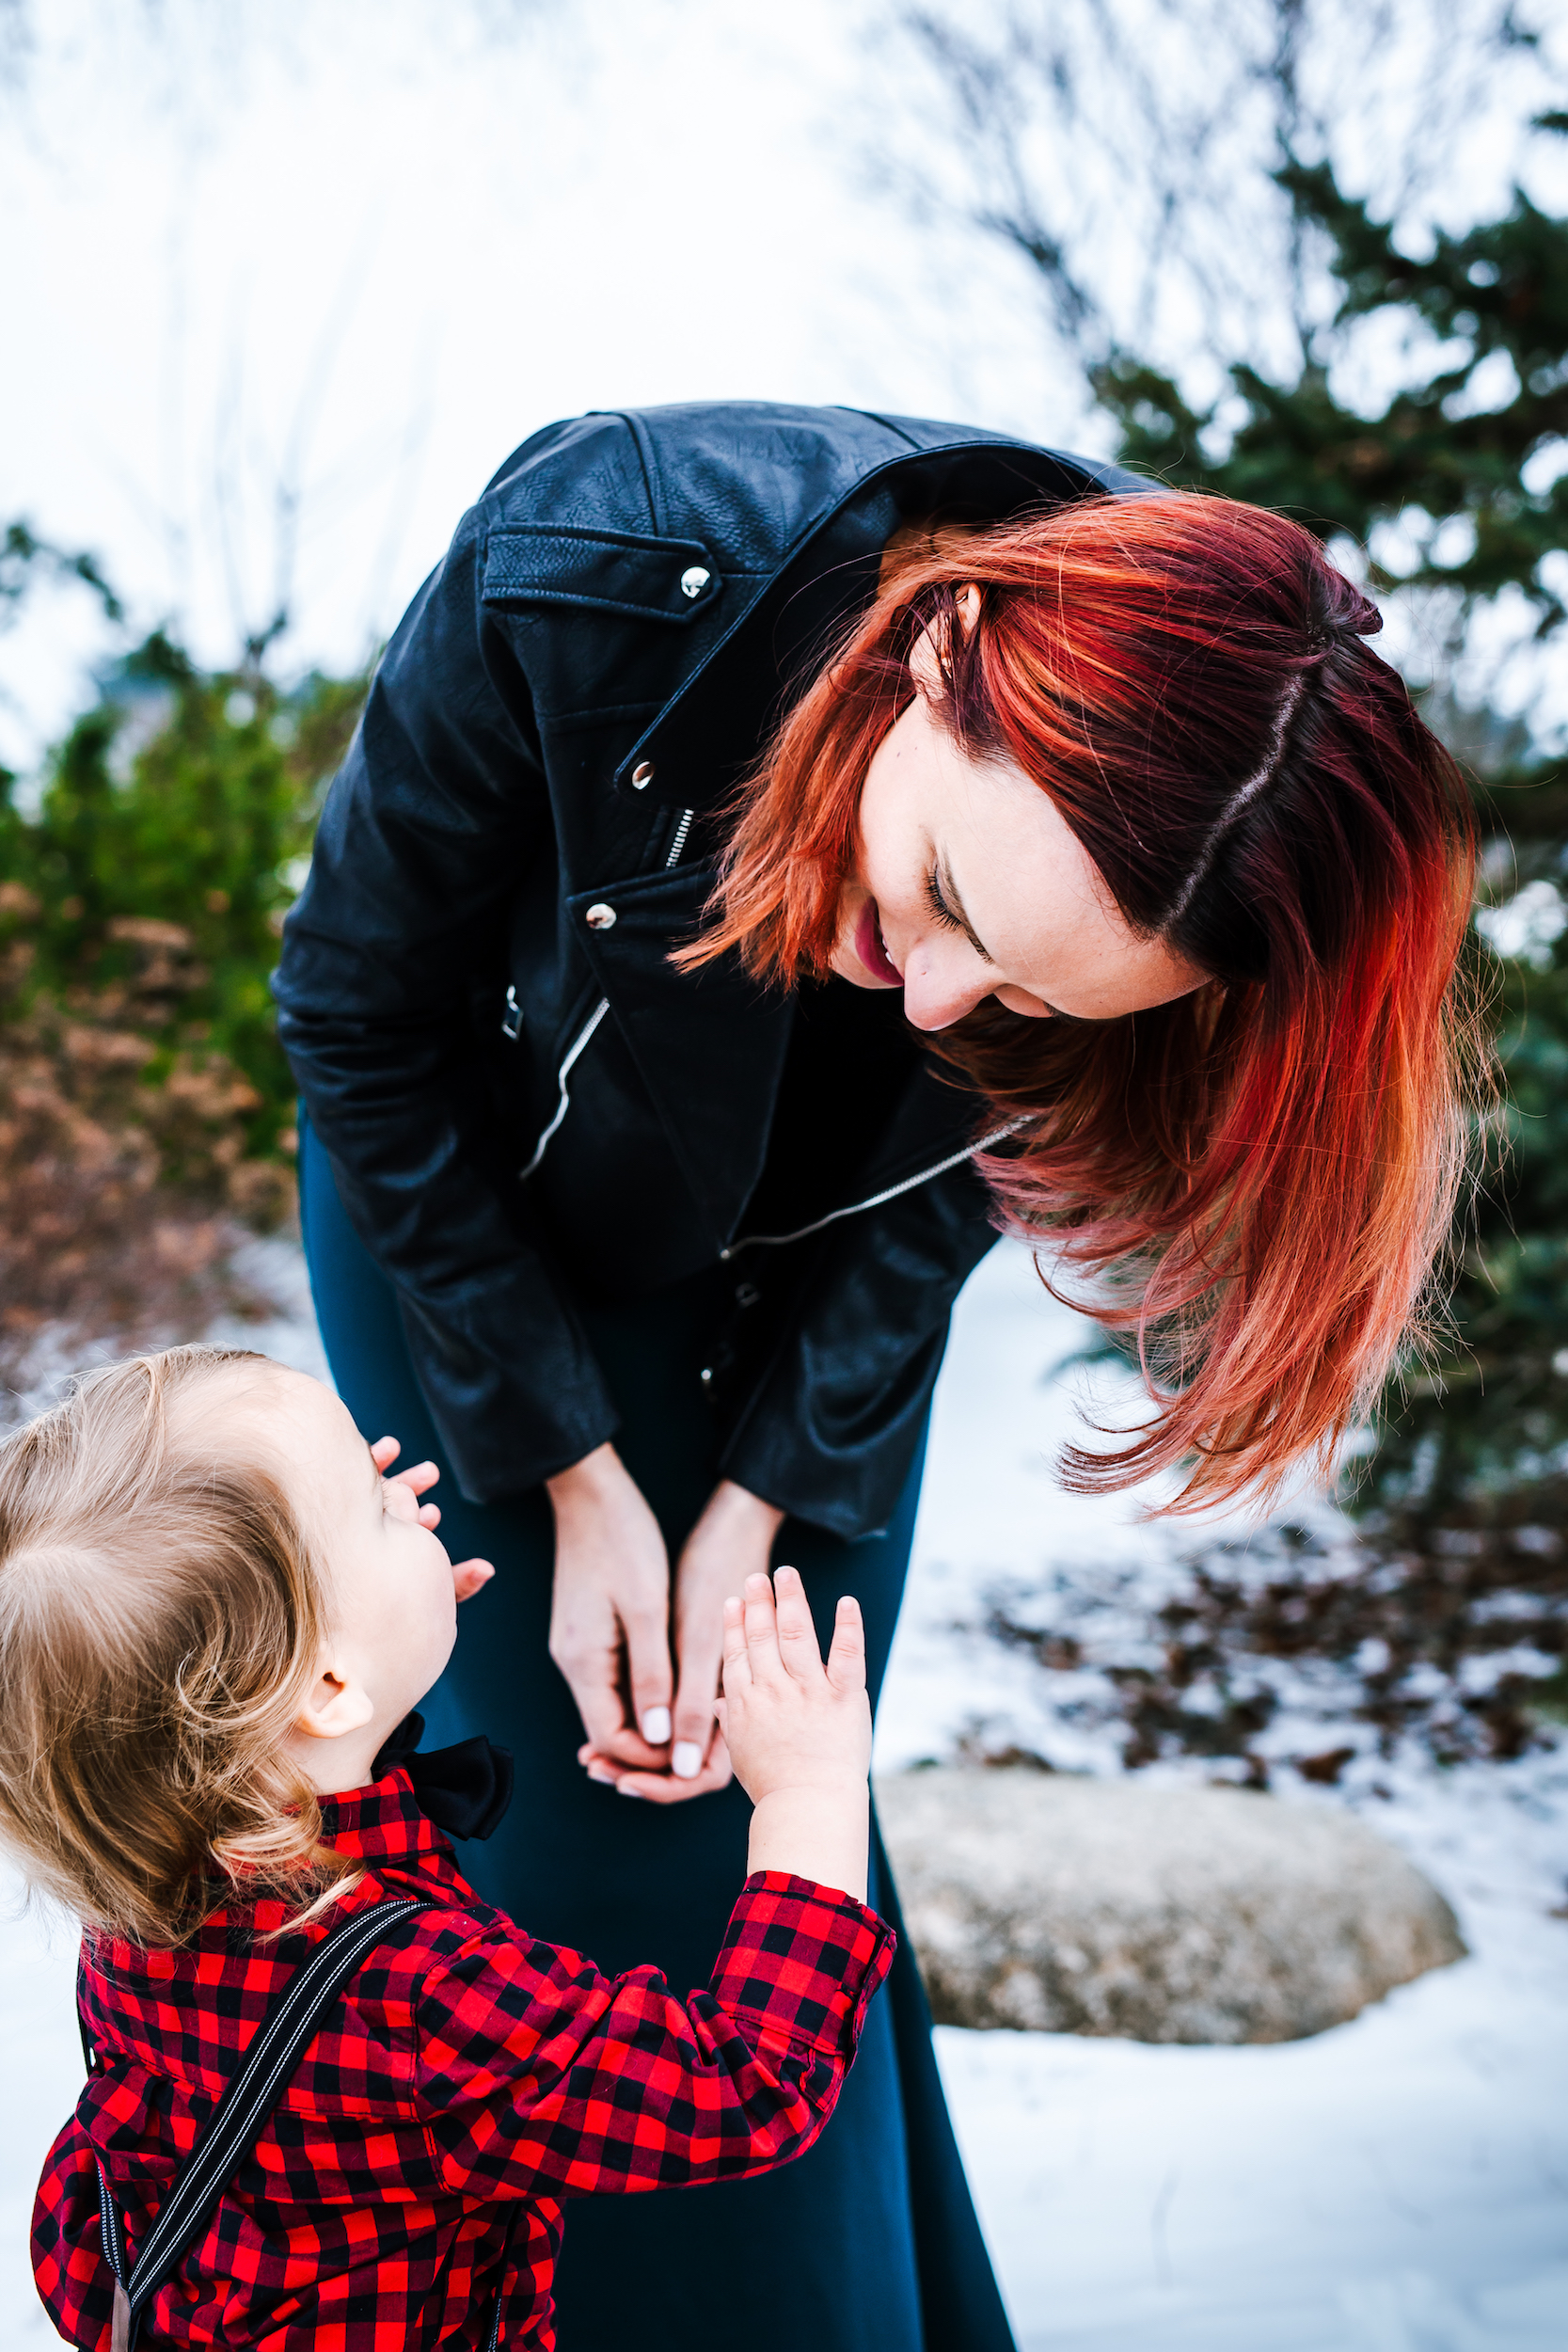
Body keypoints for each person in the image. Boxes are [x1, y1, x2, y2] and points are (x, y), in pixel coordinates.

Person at [273, 401, 1478, 2351]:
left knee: (777, 1831)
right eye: (943, 901)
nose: (929, 1001)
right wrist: (576, 1476)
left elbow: (950, 1186)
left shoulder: (1201, 796)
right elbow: (352, 1003)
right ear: (939, 656)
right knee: (590, 1856)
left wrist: (752, 1503)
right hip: (472, 1218)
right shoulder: (593, 563)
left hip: (818, 1277)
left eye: (1014, 996)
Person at [6, 1345, 892, 2350]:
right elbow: (744, 2082)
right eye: (380, 1505)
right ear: (324, 1688)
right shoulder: (426, 2000)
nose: (407, 1492)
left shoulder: (133, 1886)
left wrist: (377, 1611)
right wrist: (809, 1790)